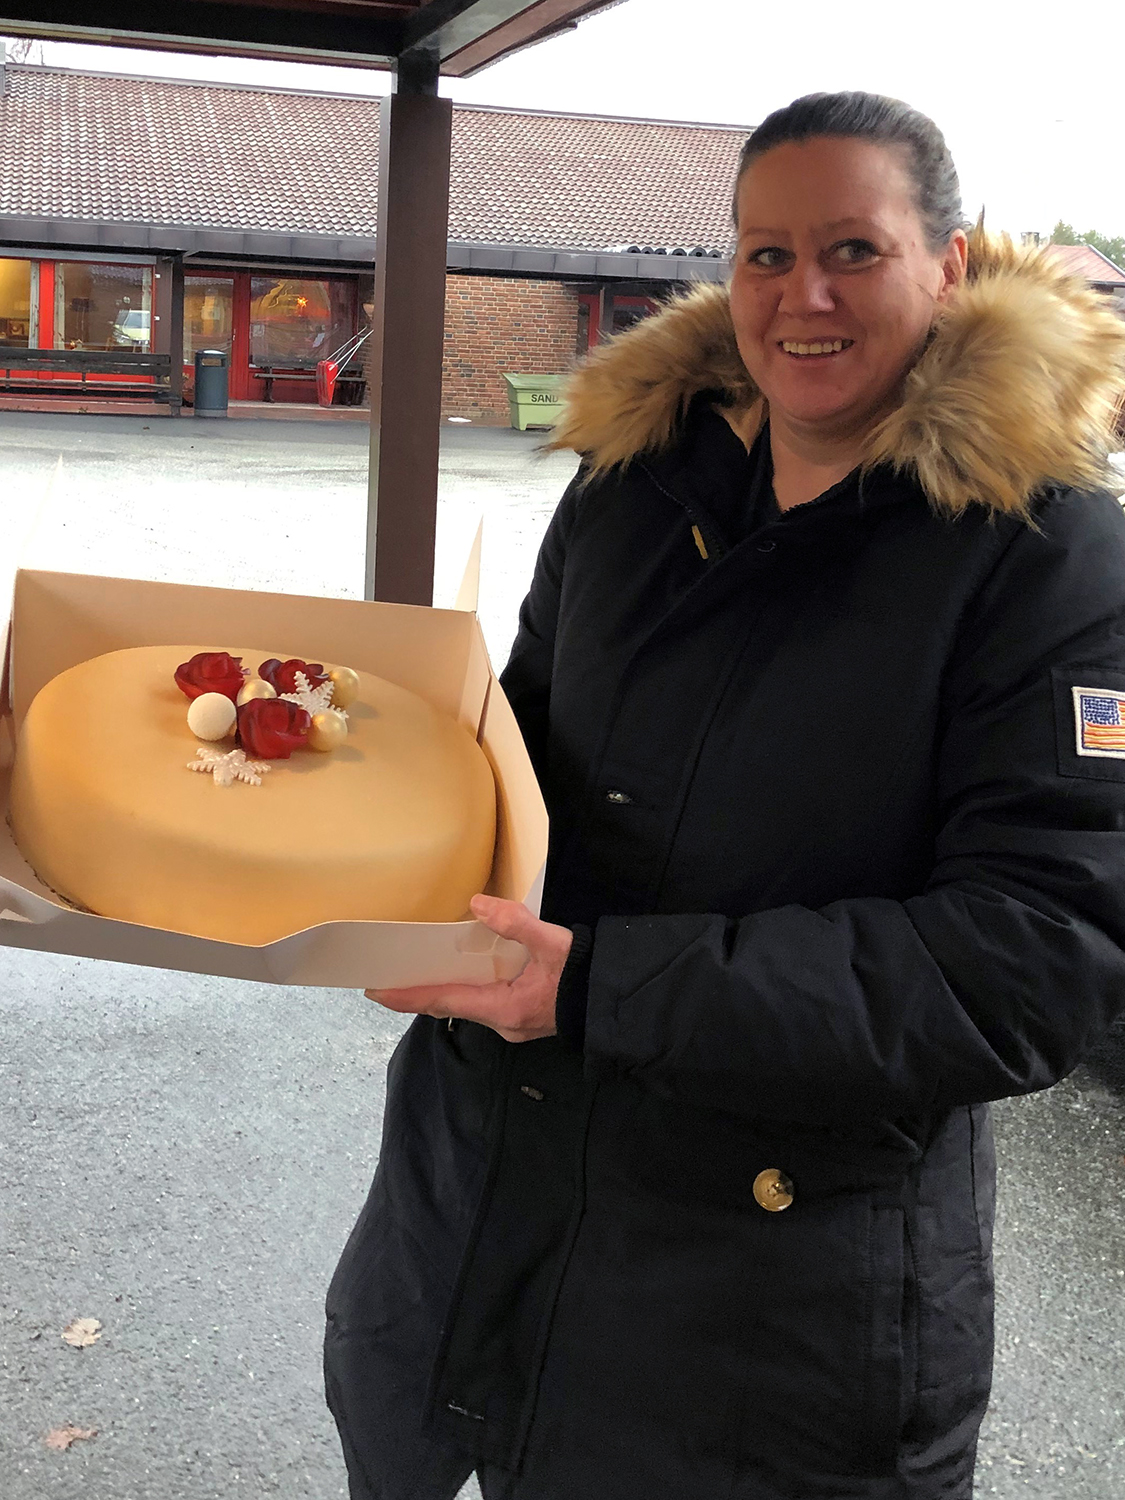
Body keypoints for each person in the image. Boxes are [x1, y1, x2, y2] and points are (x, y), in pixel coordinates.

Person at [324, 92, 1125, 1500]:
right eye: (766, 254)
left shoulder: (1047, 560)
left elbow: (1029, 962)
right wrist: (306, 793)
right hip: (476, 1210)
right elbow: (513, 757)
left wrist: (598, 988)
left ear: (946, 266)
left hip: (772, 1301)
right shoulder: (634, 482)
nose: (802, 295)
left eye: (852, 250)